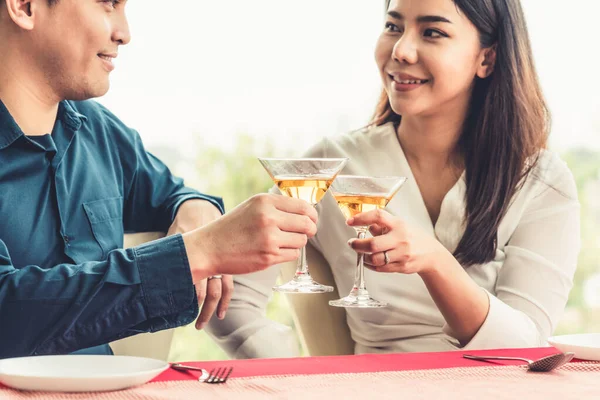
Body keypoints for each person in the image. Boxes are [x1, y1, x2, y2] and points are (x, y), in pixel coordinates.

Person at [207, 0, 581, 357]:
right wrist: (290, 374)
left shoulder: (540, 181)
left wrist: (435, 262)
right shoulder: (333, 164)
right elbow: (230, 294)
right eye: (393, 26)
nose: (401, 50)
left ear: (487, 58)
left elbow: (527, 348)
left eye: (432, 32)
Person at [0, 0, 318, 359]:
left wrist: (195, 208)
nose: (125, 33)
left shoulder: (100, 133)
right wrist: (199, 252)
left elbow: (174, 195)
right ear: (25, 6)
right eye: (108, 5)